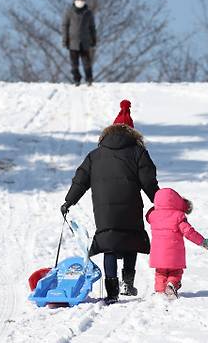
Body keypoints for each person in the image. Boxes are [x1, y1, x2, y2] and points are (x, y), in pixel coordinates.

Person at [61, 100, 159, 305]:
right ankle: (127, 283)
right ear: (132, 133)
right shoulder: (138, 152)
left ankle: (112, 291)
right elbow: (148, 180)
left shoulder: (95, 155)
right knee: (131, 239)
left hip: (104, 210)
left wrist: (69, 201)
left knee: (110, 245)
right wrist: (158, 200)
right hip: (131, 205)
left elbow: (81, 179)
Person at [146, 188, 208, 298]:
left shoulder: (153, 216)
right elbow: (189, 232)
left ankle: (160, 292)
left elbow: (148, 215)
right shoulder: (179, 216)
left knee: (160, 273)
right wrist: (202, 242)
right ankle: (171, 285)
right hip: (175, 255)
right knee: (176, 272)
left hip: (158, 254)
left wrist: (157, 207)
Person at [62, 0, 97, 86]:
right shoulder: (69, 12)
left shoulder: (88, 13)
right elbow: (65, 26)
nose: (80, 1)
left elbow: (92, 27)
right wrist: (65, 40)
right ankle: (76, 79)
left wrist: (94, 39)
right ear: (74, 0)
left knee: (87, 62)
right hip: (72, 42)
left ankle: (89, 79)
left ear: (84, 1)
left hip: (85, 41)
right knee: (74, 63)